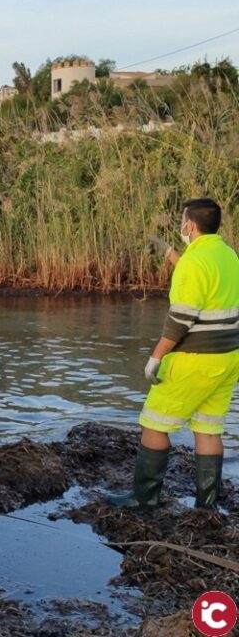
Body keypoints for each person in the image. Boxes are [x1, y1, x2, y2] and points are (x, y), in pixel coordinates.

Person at [109, 198, 239, 510]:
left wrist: (156, 357)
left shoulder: (195, 263)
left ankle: (144, 498)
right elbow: (203, 280)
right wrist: (169, 252)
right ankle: (206, 504)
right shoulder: (227, 254)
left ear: (190, 225)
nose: (181, 225)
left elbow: (181, 318)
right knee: (208, 428)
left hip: (195, 359)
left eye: (183, 220)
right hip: (228, 357)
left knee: (154, 424)